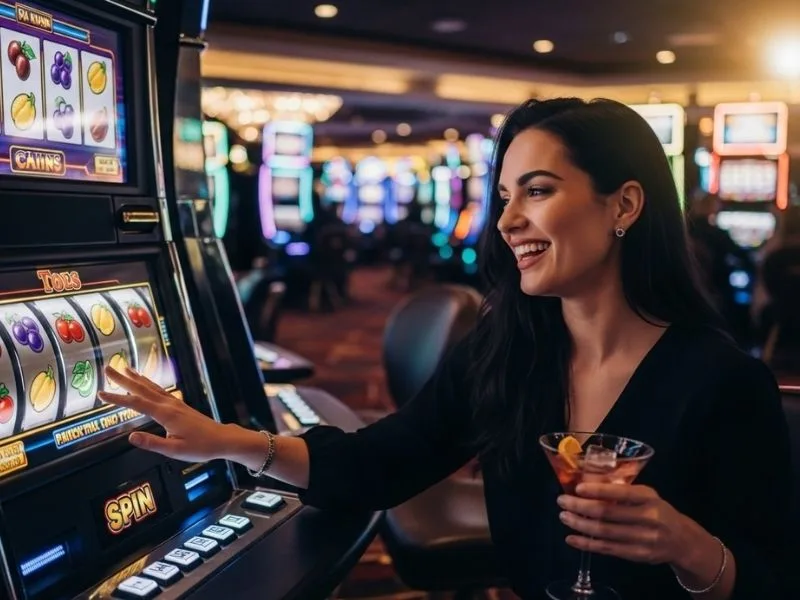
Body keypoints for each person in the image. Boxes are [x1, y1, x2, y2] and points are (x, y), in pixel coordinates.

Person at [100, 98, 792, 600]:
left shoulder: (722, 382)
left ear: (624, 205)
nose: (508, 220)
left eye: (538, 191)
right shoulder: (508, 350)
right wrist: (226, 441)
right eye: (504, 196)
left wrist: (690, 550)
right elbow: (382, 463)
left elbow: (775, 581)